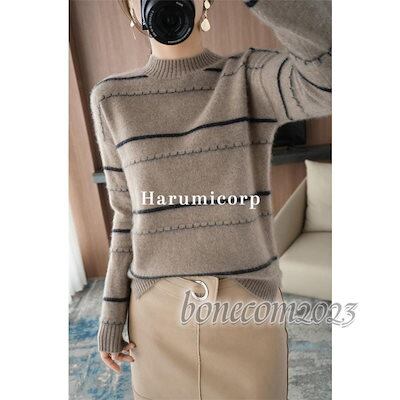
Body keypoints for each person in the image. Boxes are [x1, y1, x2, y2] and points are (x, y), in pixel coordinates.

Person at [89, 1, 332, 398]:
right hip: (157, 318)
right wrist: (112, 315)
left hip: (246, 314)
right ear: (130, 10)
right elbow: (125, 214)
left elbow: (332, 76)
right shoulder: (111, 98)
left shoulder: (249, 79)